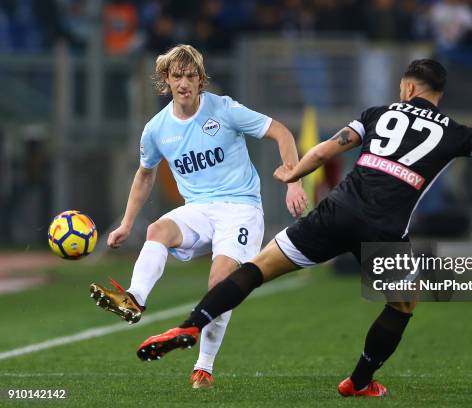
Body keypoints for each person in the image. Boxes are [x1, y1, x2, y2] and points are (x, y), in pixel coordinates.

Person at [134, 59, 472, 397]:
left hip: (337, 209)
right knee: (402, 304)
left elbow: (328, 149)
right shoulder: (458, 133)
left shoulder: (379, 113)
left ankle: (191, 325)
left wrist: (293, 176)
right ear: (437, 94)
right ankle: (359, 381)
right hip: (384, 228)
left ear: (408, 88)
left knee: (257, 268)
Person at [89, 44, 308, 389]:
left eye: (191, 76)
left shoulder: (224, 109)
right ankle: (134, 299)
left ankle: (203, 366)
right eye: (177, 76)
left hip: (241, 208)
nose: (184, 83)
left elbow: (281, 131)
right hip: (199, 209)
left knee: (219, 284)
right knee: (158, 229)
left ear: (201, 80)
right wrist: (127, 224)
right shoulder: (157, 129)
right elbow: (144, 175)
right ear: (166, 79)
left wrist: (293, 181)